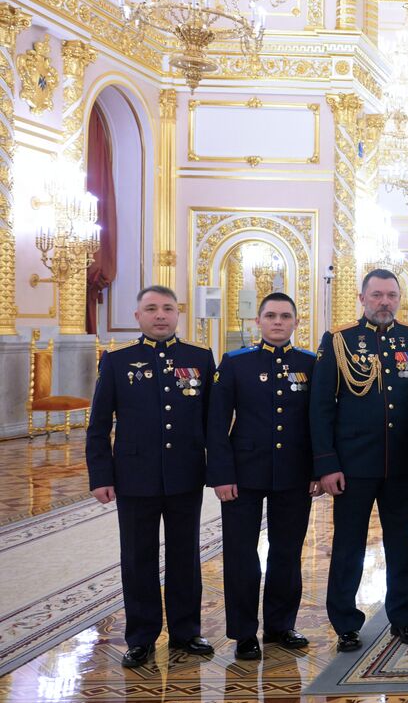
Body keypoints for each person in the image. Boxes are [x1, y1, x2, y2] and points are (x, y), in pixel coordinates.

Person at [86, 285, 216, 668]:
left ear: (179, 314)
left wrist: (218, 470)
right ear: (137, 315)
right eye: (152, 308)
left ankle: (186, 632)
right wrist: (100, 475)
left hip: (185, 475)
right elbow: (98, 426)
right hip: (134, 477)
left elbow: (213, 423)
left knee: (185, 556)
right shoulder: (116, 361)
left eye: (168, 308)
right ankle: (140, 637)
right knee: (138, 558)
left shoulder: (200, 358)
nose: (160, 315)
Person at [310, 269, 408, 653]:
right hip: (351, 465)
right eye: (377, 295)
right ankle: (346, 623)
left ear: (399, 299)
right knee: (348, 546)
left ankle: (404, 617)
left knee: (402, 544)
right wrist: (327, 463)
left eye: (391, 295)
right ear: (362, 298)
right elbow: (320, 407)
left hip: (400, 463)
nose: (385, 302)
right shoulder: (339, 340)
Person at [207, 292, 320, 661]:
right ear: (258, 321)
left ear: (296, 323)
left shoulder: (310, 363)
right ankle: (243, 633)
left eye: (285, 316)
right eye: (270, 316)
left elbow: (318, 424)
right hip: (243, 475)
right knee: (241, 555)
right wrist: (221, 475)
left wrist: (318, 470)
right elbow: (217, 425)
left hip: (294, 474)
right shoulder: (235, 363)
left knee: (287, 553)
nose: (278, 322)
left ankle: (280, 625)